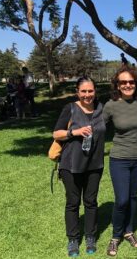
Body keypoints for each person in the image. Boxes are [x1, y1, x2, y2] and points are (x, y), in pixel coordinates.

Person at [52, 77, 106, 257]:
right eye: (83, 91)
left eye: (90, 91)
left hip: (94, 164)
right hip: (71, 164)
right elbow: (56, 133)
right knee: (73, 203)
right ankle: (73, 239)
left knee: (91, 202)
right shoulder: (70, 108)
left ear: (95, 91)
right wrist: (74, 132)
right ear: (77, 92)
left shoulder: (101, 108)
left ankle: (90, 236)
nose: (87, 95)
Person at [103, 66, 137, 256]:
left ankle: (129, 231)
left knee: (132, 196)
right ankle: (115, 236)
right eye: (123, 82)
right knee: (121, 199)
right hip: (119, 158)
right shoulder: (110, 105)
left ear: (135, 84)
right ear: (117, 85)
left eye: (131, 82)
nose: (128, 85)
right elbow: (97, 126)